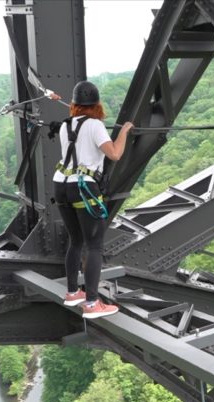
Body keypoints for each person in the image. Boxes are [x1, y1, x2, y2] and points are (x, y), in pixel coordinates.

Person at [53, 80, 134, 319]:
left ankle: (72, 293)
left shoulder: (65, 126)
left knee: (75, 240)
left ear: (75, 104)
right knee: (95, 245)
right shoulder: (96, 125)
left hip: (61, 185)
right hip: (84, 188)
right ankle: (91, 303)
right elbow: (115, 154)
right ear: (96, 104)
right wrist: (124, 132)